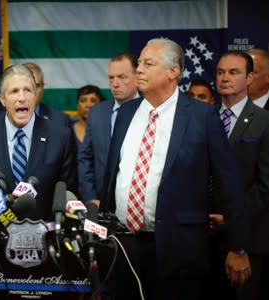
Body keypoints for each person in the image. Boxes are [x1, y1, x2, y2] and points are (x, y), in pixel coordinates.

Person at [100, 38, 251, 300]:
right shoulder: (126, 114)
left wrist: (237, 247)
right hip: (123, 246)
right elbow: (113, 176)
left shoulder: (201, 117)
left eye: (148, 64)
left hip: (179, 250)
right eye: (139, 64)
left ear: (173, 71)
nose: (139, 70)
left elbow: (230, 183)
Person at [0, 64, 78, 220]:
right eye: (14, 91)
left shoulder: (60, 136)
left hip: (45, 236)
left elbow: (69, 193)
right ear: (2, 99)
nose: (22, 98)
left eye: (27, 90)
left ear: (35, 95)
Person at [213, 51, 269, 300]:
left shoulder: (265, 121)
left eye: (234, 72)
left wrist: (229, 220)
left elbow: (265, 188)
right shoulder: (203, 119)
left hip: (247, 242)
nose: (225, 77)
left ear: (249, 78)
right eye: (221, 72)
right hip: (202, 240)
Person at [78, 53, 139, 204]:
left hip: (138, 203)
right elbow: (85, 158)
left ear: (137, 77)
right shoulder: (97, 112)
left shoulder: (150, 110)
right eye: (111, 78)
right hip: (101, 201)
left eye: (122, 77)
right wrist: (91, 197)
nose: (115, 83)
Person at [22, 62, 71, 126]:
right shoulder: (5, 119)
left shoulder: (60, 120)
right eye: (26, 86)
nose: (32, 91)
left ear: (42, 88)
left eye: (36, 86)